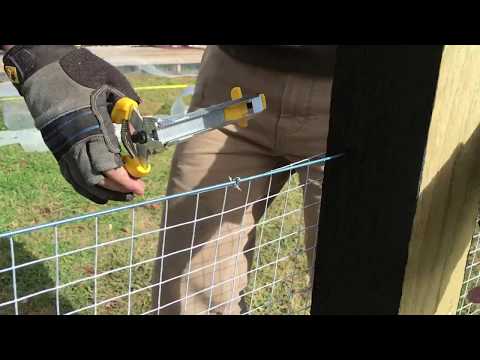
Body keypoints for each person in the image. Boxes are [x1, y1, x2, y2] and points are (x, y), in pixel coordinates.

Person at [2, 45, 336, 315]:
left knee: (355, 283)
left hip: (362, 87)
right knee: (185, 292)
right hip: (233, 77)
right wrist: (41, 53)